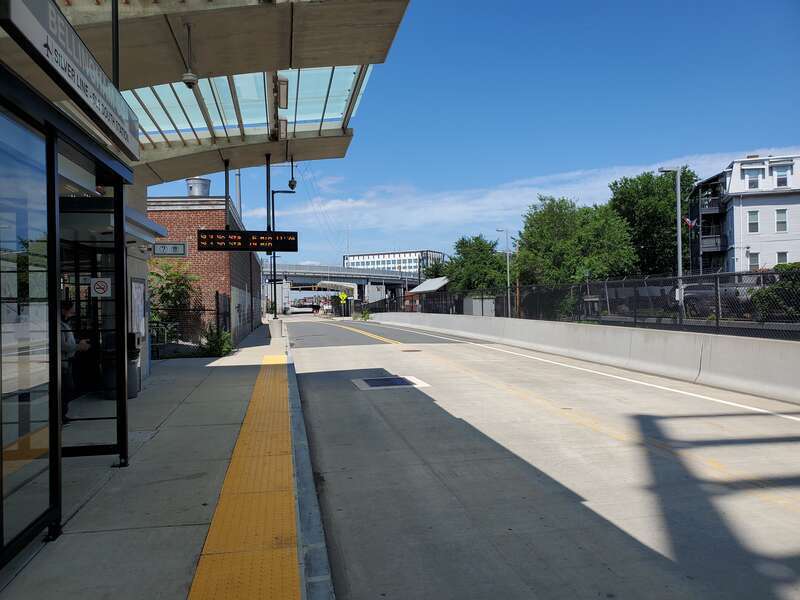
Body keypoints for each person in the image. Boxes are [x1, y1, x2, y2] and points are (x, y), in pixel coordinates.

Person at [61, 300, 90, 423]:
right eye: (71, 310)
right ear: (64, 310)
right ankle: (61, 414)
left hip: (67, 361)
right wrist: (79, 346)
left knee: (68, 388)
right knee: (67, 388)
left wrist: (79, 342)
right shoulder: (60, 325)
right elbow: (63, 345)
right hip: (62, 362)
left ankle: (62, 414)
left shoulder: (64, 324)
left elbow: (68, 342)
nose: (73, 312)